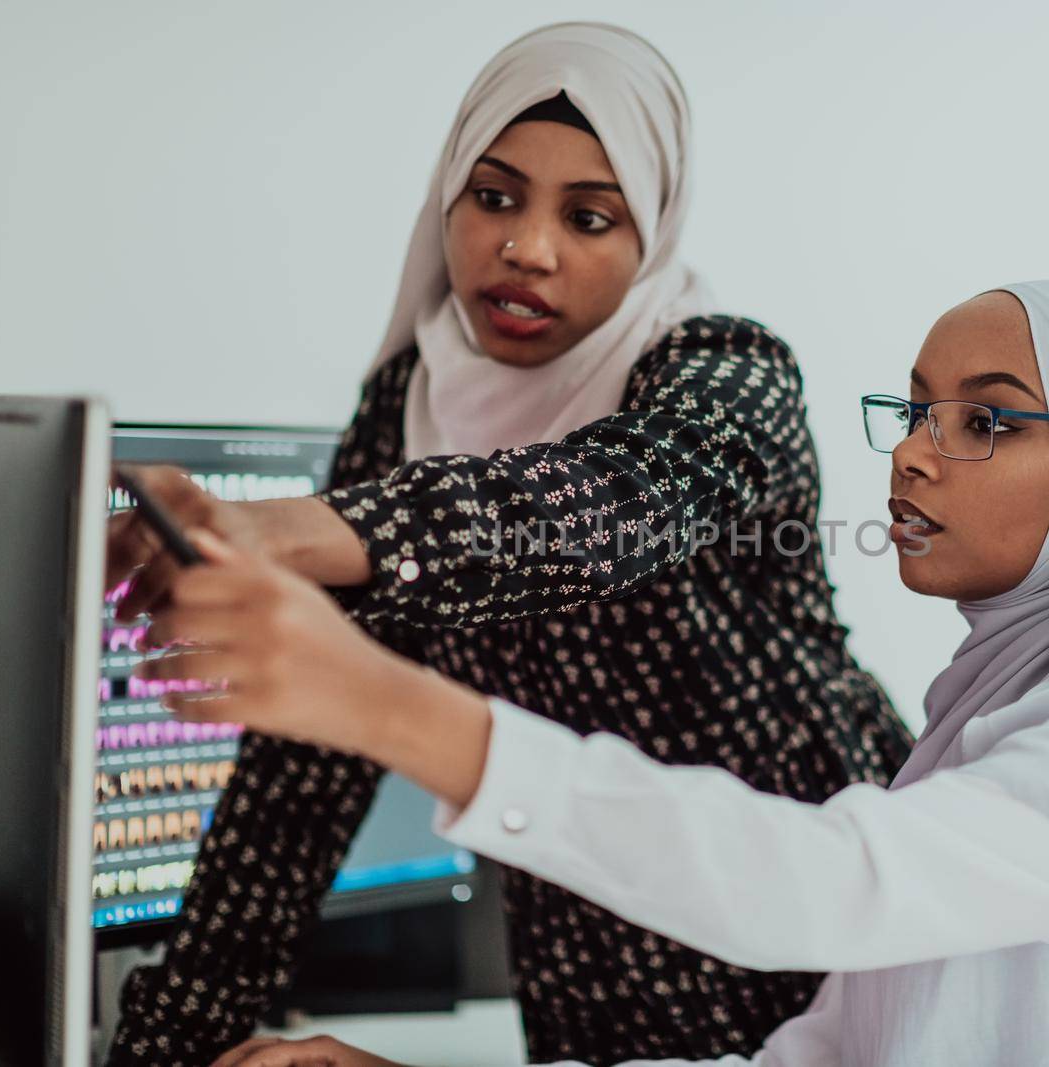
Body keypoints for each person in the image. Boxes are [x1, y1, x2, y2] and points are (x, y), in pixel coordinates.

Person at [137, 281, 1049, 1066]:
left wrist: (387, 703)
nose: (912, 451)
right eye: (914, 410)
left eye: (988, 423)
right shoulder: (994, 708)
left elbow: (822, 882)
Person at [103, 21, 913, 1066]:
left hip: (819, 933)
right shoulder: (408, 403)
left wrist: (308, 528)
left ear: (651, 233)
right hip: (585, 963)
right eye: (494, 196)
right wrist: (167, 1043)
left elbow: (608, 503)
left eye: (588, 215)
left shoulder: (725, 375)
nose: (527, 247)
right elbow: (299, 778)